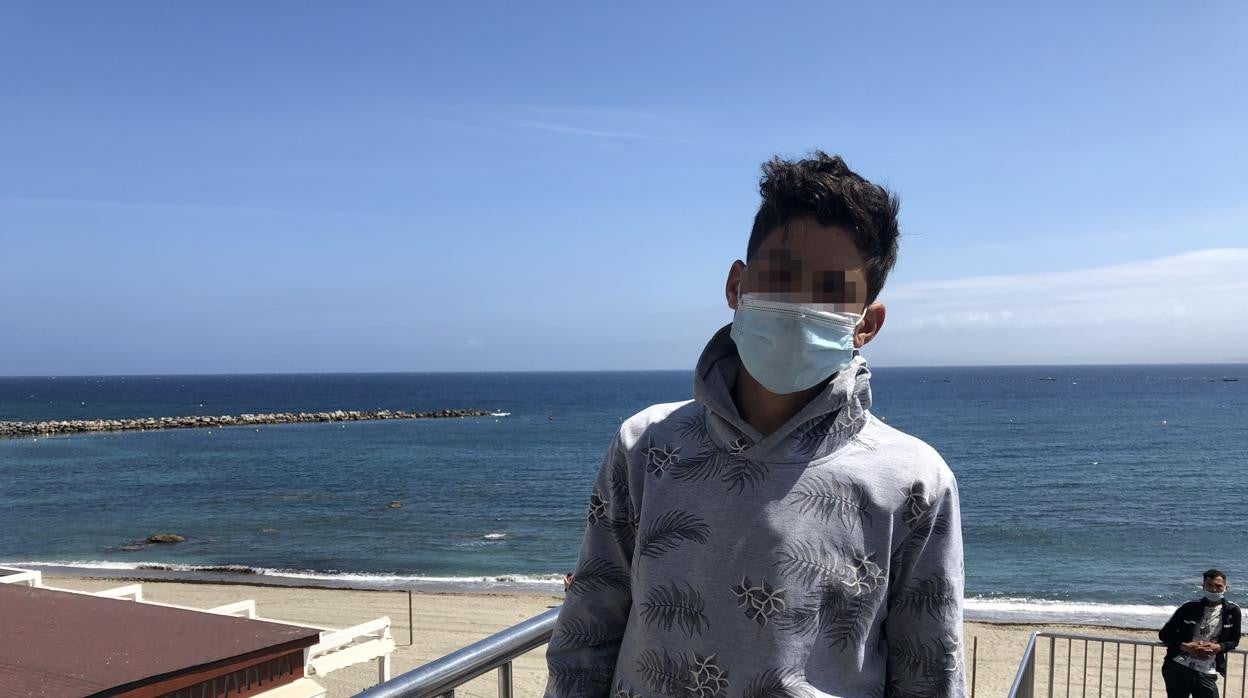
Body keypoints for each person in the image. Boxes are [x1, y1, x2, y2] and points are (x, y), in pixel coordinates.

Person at [544, 151, 964, 697]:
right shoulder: (645, 445)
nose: (798, 305)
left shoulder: (914, 482)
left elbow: (930, 672)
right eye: (782, 277)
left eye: (830, 291)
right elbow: (587, 632)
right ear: (736, 286)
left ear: (868, 324)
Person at [1159, 569, 1242, 698]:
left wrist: (1218, 647)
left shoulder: (1232, 611)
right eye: (1209, 585)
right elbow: (1164, 634)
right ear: (1203, 586)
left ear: (1226, 588)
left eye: (1218, 586)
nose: (1214, 590)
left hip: (1207, 670)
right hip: (1177, 667)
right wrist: (1185, 646)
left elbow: (1234, 640)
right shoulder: (1188, 607)